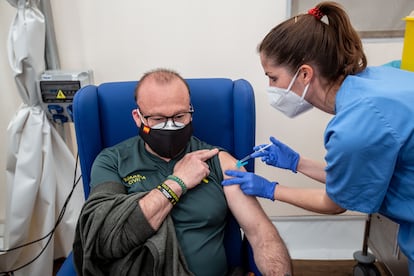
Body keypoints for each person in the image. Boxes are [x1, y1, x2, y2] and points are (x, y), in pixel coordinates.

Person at [222, 1, 414, 275]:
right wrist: (297, 163)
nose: (270, 88)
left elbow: (334, 204)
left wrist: (271, 189)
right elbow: (356, 173)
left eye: (273, 78)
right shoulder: (375, 80)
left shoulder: (355, 127)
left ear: (304, 73)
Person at [72, 68, 292, 276]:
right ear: (138, 118)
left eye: (179, 117)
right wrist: (178, 182)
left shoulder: (219, 161)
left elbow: (262, 235)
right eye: (158, 119)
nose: (170, 127)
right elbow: (103, 234)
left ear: (191, 113)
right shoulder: (112, 161)